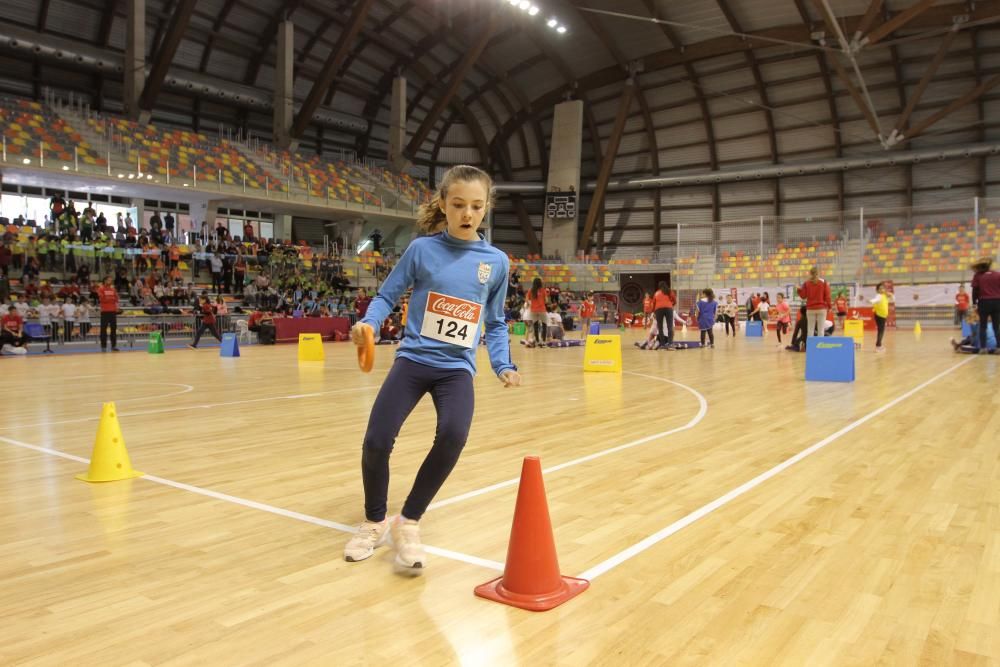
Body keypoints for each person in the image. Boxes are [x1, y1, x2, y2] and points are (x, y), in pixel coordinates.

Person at [344, 165, 520, 574]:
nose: (467, 213)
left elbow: (493, 323)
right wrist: (369, 324)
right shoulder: (421, 250)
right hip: (413, 360)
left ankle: (409, 522)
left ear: (486, 208)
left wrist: (502, 364)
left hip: (456, 368)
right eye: (458, 204)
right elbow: (386, 296)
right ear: (443, 204)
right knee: (376, 440)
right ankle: (374, 522)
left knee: (454, 435)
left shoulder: (496, 262)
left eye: (476, 206)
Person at [971, 258, 1000, 353]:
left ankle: (983, 348)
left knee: (983, 326)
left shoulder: (978, 276)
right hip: (997, 302)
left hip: (984, 302)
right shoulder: (997, 274)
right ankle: (999, 348)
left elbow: (975, 291)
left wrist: (974, 303)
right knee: (997, 326)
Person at [798, 266, 831, 341]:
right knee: (821, 330)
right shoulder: (824, 282)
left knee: (810, 330)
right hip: (821, 309)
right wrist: (829, 306)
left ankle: (810, 348)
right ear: (818, 273)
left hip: (810, 309)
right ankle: (820, 348)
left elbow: (803, 296)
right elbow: (828, 296)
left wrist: (799, 290)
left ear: (810, 273)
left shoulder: (806, 283)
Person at [96, 275, 120, 352]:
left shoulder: (113, 289)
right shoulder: (101, 288)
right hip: (105, 312)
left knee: (113, 330)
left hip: (113, 312)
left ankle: (114, 346)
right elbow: (102, 299)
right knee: (103, 330)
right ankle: (103, 347)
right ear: (105, 281)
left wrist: (109, 298)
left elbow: (116, 299)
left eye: (111, 280)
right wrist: (110, 298)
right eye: (109, 280)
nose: (110, 281)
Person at [870, 281, 894, 353]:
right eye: (880, 289)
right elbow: (875, 300)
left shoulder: (884, 296)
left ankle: (879, 345)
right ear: (877, 290)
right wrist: (871, 301)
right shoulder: (879, 296)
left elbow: (892, 299)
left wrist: (890, 295)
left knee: (881, 330)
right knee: (881, 330)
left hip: (883, 315)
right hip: (879, 315)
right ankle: (878, 346)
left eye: (883, 288)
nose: (882, 290)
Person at [526, 277, 548, 348]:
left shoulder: (531, 290)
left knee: (535, 326)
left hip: (533, 310)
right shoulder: (543, 290)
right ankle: (544, 341)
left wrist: (531, 304)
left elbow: (527, 300)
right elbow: (546, 301)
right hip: (542, 310)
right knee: (544, 325)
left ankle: (538, 341)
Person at [652, 281, 674, 348]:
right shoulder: (669, 291)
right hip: (669, 309)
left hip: (658, 310)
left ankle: (662, 344)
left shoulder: (656, 293)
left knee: (660, 327)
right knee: (670, 327)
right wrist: (670, 305)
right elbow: (674, 300)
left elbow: (653, 303)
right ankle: (670, 343)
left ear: (659, 286)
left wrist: (653, 312)